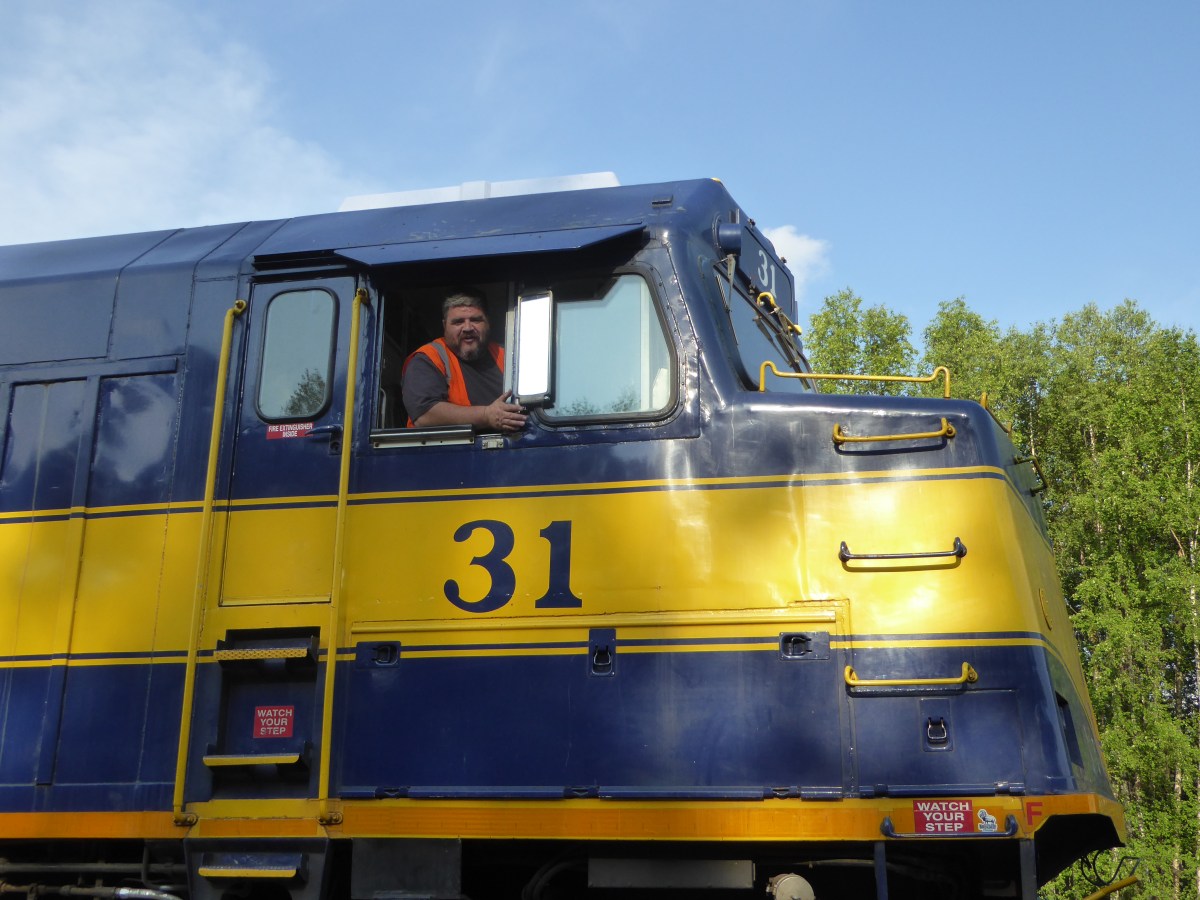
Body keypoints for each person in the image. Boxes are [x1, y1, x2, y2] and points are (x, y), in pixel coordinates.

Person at [401, 289, 527, 432]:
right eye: (458, 322)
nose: (467, 328)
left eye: (475, 320)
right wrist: (486, 415)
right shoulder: (428, 358)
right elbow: (424, 414)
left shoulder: (510, 355)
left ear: (488, 322)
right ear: (444, 326)